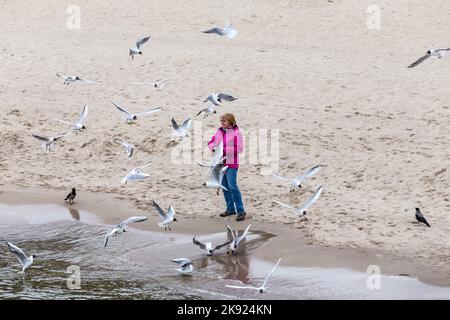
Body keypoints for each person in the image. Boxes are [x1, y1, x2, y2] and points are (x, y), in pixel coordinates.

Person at [208, 113, 246, 221]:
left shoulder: (237, 133)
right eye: (221, 121)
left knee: (232, 186)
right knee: (224, 186)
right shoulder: (219, 131)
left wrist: (225, 150)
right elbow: (211, 142)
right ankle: (230, 209)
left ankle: (241, 211)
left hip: (231, 162)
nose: (222, 123)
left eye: (224, 121)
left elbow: (239, 149)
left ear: (230, 121)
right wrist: (213, 147)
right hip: (220, 163)